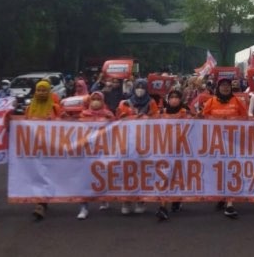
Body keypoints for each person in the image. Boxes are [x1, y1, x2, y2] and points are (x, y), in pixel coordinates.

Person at [200, 78, 248, 218]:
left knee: (230, 171)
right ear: (218, 88)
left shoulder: (237, 101)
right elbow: (202, 120)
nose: (226, 88)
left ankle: (230, 204)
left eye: (228, 86)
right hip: (215, 144)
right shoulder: (211, 102)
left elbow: (245, 119)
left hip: (232, 143)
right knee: (218, 171)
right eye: (223, 86)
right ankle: (222, 197)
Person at [24, 80, 66, 220]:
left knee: (46, 173)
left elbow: (64, 125)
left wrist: (53, 121)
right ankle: (41, 202)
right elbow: (23, 124)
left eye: (44, 90)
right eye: (39, 90)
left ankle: (42, 202)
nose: (41, 93)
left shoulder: (54, 108)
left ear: (49, 92)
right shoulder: (30, 108)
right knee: (37, 174)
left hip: (50, 147)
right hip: (34, 147)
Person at [116, 78, 158, 215]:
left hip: (144, 143)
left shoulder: (152, 103)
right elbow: (117, 120)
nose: (140, 90)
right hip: (127, 143)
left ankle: (140, 200)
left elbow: (157, 120)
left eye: (143, 88)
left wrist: (146, 118)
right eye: (138, 87)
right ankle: (126, 201)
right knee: (126, 172)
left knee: (142, 172)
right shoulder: (125, 103)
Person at [154, 89, 192, 221]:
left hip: (182, 151)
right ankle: (163, 206)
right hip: (165, 150)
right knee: (165, 176)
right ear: (168, 99)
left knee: (179, 176)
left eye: (177, 97)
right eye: (172, 97)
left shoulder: (185, 112)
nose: (174, 100)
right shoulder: (162, 113)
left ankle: (177, 200)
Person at [75, 91, 114, 220]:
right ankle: (84, 206)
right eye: (93, 99)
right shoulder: (83, 114)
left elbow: (116, 129)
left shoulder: (108, 114)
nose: (95, 101)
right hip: (87, 150)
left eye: (98, 99)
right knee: (84, 178)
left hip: (103, 150)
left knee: (102, 175)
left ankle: (104, 199)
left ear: (103, 101)